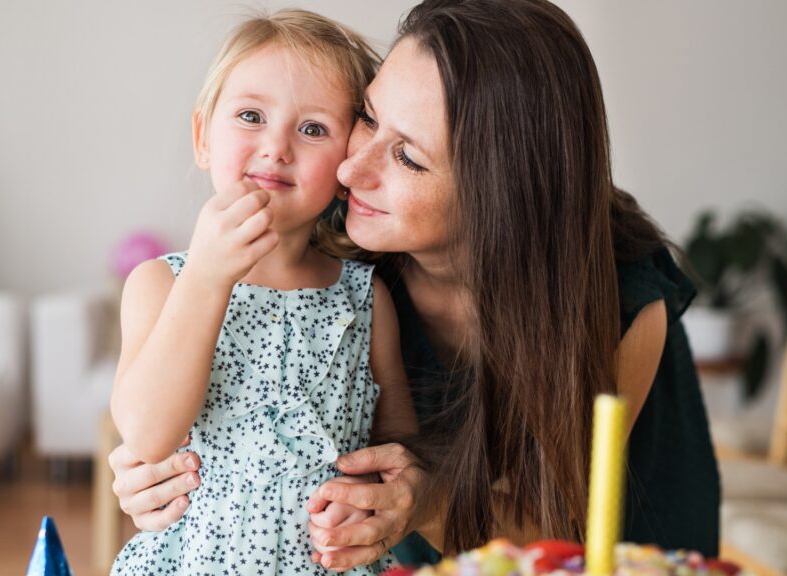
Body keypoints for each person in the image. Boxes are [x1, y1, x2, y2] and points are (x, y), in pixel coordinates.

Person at [108, 0, 721, 571]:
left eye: (409, 158)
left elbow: (557, 529)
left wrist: (421, 497)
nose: (351, 169)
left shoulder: (620, 299)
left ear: (497, 198)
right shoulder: (346, 241)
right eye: (369, 119)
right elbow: (171, 416)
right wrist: (151, 471)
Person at [107, 9, 416, 575]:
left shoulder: (367, 298)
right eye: (251, 116)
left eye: (313, 128)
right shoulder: (162, 283)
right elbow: (148, 434)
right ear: (203, 137)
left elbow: (396, 443)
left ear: (347, 161)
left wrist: (367, 499)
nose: (276, 147)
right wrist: (207, 276)